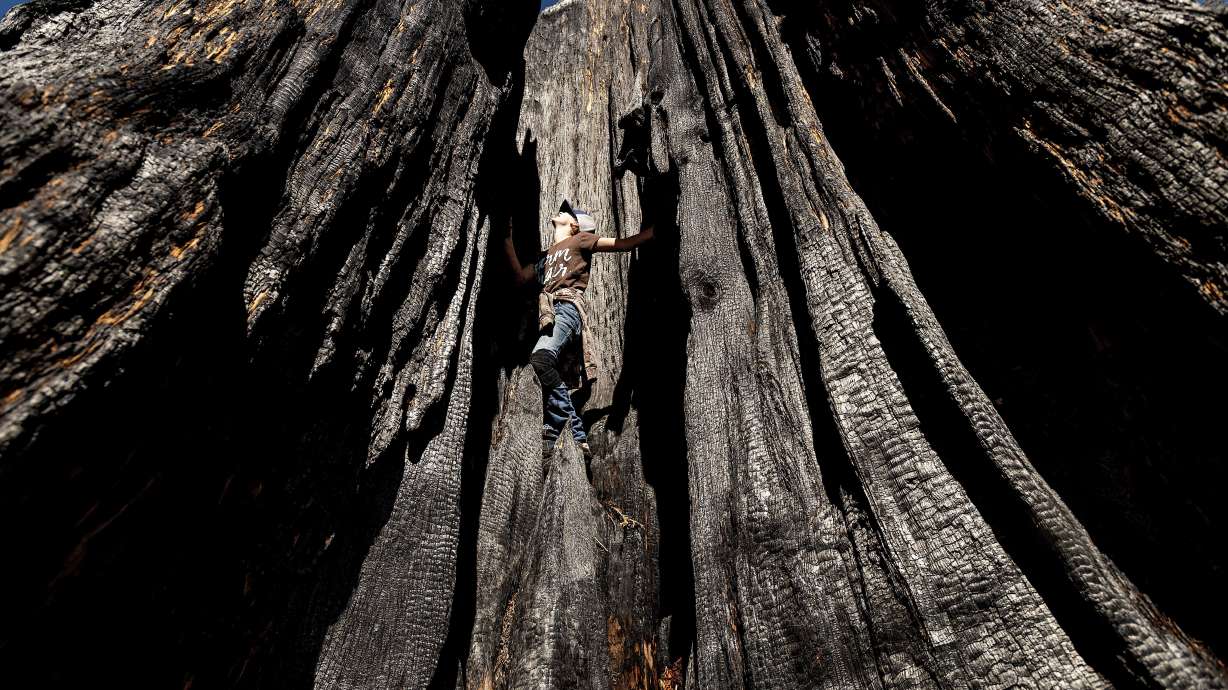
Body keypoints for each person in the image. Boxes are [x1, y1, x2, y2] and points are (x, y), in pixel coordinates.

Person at [504, 200, 654, 459]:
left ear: (574, 225)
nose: (560, 211)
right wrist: (505, 238)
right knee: (551, 377)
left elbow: (622, 244)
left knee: (541, 358)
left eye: (567, 212)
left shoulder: (581, 240)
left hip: (567, 309)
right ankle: (556, 441)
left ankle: (572, 427)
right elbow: (518, 278)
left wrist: (654, 231)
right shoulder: (544, 256)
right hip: (547, 315)